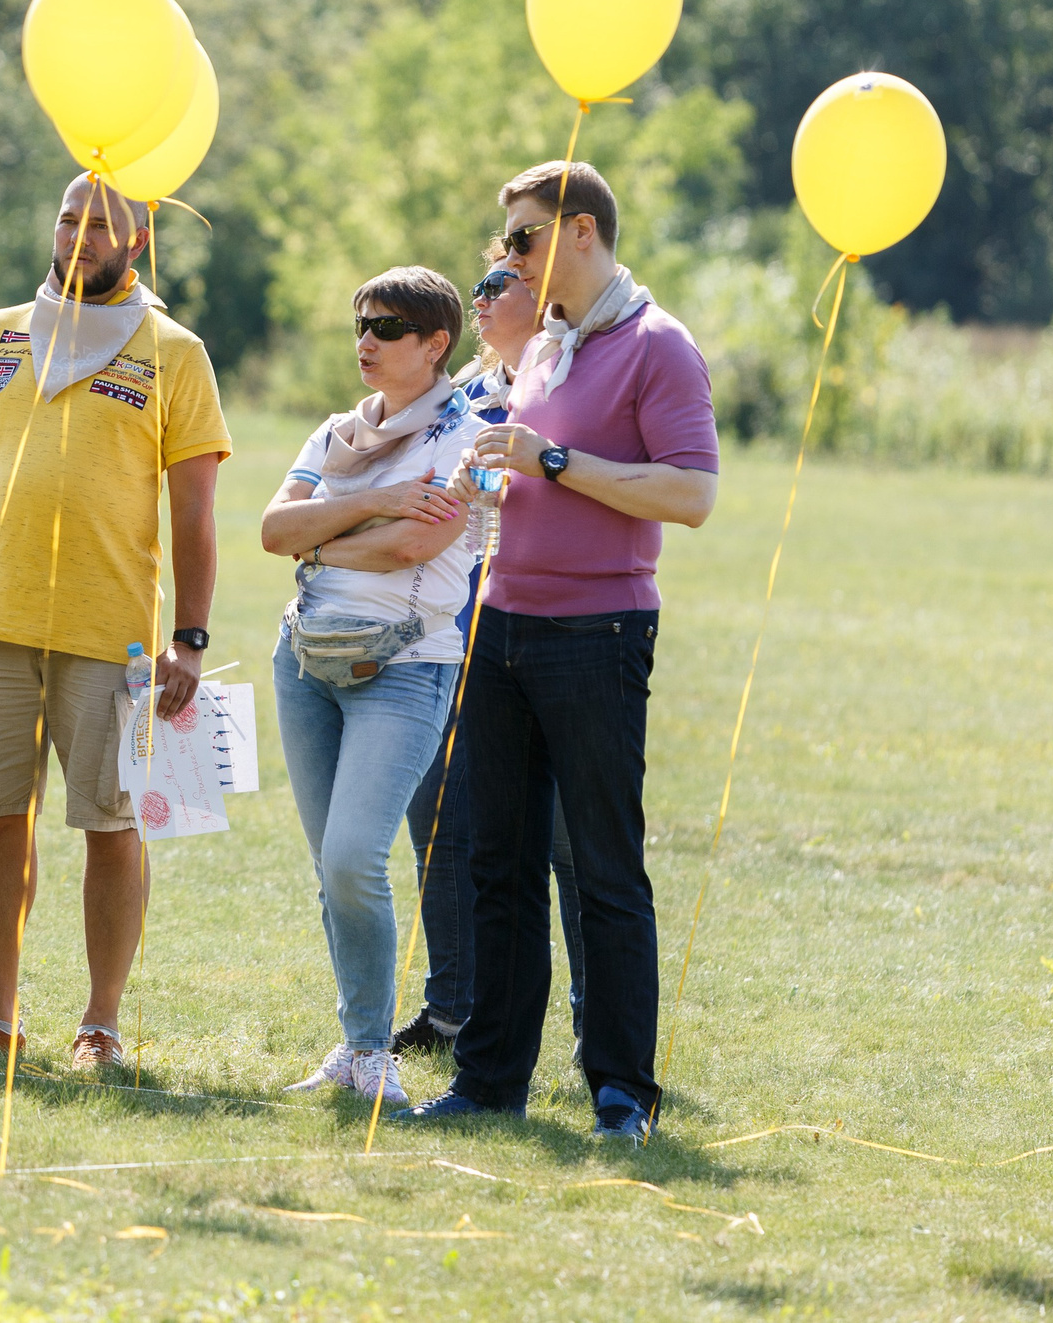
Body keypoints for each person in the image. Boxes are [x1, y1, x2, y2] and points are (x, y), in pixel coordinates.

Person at [397, 161, 719, 1141]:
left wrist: (553, 462)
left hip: (597, 634)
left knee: (605, 870)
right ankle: (490, 1080)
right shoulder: (541, 348)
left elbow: (689, 494)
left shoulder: (658, 346)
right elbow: (535, 468)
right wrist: (499, 481)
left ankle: (621, 1092)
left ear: (581, 233)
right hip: (501, 624)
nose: (510, 260)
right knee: (497, 861)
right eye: (507, 244)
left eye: (525, 240)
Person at [0, 173, 230, 1070]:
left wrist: (189, 637)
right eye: (69, 217)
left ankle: (101, 1023)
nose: (80, 236)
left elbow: (195, 511)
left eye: (102, 224)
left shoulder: (175, 351)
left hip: (112, 634)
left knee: (111, 825)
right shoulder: (2, 335)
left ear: (139, 239)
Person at [258, 267, 485, 1106]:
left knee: (356, 856)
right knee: (332, 865)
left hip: (406, 668)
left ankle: (377, 1054)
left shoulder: (470, 438)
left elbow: (411, 551)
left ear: (435, 345)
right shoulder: (335, 434)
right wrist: (381, 502)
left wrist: (322, 539)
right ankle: (360, 1047)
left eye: (388, 328)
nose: (367, 340)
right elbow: (272, 528)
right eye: (361, 323)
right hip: (307, 662)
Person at [394, 258, 591, 1063]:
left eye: (498, 284)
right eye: (475, 287)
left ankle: (596, 1025)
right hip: (452, 630)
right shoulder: (460, 400)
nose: (479, 299)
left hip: (552, 627)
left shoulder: (579, 385)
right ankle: (452, 1010)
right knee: (436, 805)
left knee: (569, 837)